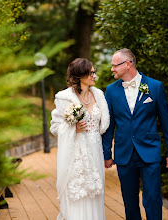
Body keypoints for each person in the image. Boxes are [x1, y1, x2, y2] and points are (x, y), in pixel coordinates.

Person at [102, 48, 168, 220]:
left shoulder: (154, 86)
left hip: (149, 151)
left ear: (128, 64)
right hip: (124, 154)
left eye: (115, 65)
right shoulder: (111, 91)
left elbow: (166, 122)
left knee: (152, 199)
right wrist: (106, 153)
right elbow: (109, 125)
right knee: (129, 201)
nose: (112, 69)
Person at [50, 58, 110, 220]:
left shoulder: (99, 95)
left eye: (94, 72)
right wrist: (72, 128)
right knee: (78, 190)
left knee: (95, 190)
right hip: (76, 152)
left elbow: (103, 125)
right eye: (91, 73)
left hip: (95, 150)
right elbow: (55, 126)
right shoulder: (64, 98)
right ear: (79, 75)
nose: (94, 76)